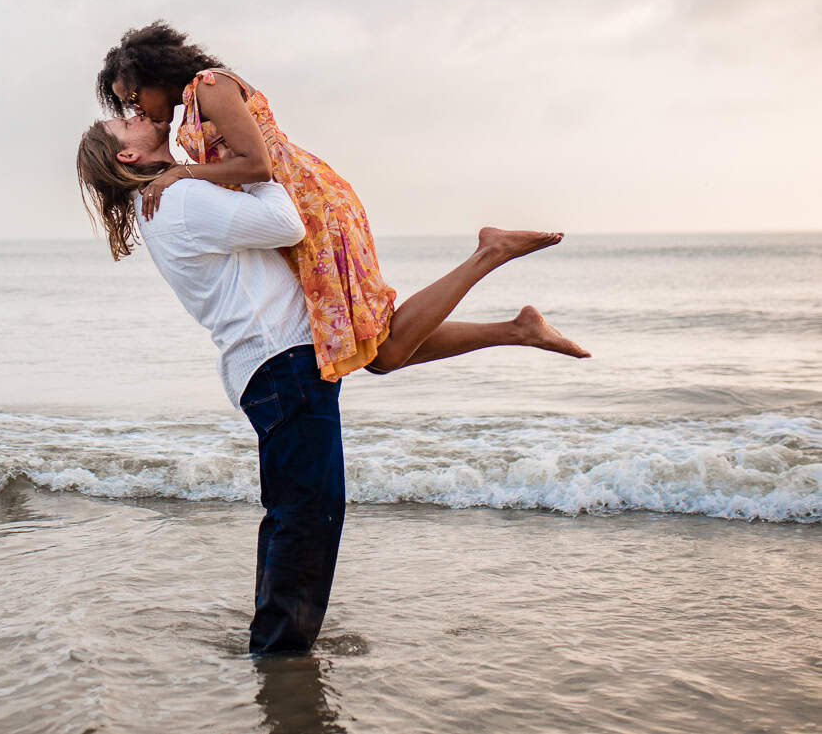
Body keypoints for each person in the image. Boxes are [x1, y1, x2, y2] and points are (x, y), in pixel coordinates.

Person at [75, 113, 589, 653]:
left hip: (275, 364)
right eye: (124, 123)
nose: (137, 116)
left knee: (305, 492)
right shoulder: (177, 199)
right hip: (282, 363)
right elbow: (286, 222)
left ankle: (273, 641)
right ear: (127, 157)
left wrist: (200, 169)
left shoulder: (170, 197)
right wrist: (249, 163)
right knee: (307, 517)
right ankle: (280, 654)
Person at [95, 21, 590, 383]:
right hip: (298, 206)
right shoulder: (193, 105)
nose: (135, 108)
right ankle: (518, 327)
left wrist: (185, 171)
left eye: (133, 95)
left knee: (383, 346)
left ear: (154, 72)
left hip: (312, 206)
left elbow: (258, 166)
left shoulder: (210, 86)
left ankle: (492, 255)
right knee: (378, 350)